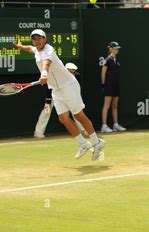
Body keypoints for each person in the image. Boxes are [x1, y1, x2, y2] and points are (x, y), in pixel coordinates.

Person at [14, 29, 105, 160]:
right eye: (34, 39)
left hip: (68, 85)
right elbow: (30, 49)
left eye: (39, 38)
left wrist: (44, 74)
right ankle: (83, 144)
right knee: (63, 119)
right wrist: (21, 46)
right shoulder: (36, 50)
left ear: (45, 39)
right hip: (56, 89)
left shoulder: (49, 50)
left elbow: (46, 64)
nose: (37, 41)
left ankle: (97, 142)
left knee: (78, 115)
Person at [34, 63, 87, 138]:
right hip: (54, 95)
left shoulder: (77, 76)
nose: (72, 73)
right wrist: (48, 101)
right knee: (46, 111)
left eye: (73, 72)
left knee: (76, 111)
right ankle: (38, 133)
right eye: (70, 71)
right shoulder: (57, 75)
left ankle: (84, 130)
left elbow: (77, 88)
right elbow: (49, 88)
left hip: (69, 95)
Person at [101, 41, 126, 133]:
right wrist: (104, 84)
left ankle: (115, 124)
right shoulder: (107, 60)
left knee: (115, 105)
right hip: (108, 85)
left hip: (116, 85)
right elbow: (103, 73)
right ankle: (104, 125)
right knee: (106, 105)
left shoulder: (116, 59)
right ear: (110, 49)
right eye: (115, 48)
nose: (117, 50)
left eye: (117, 49)